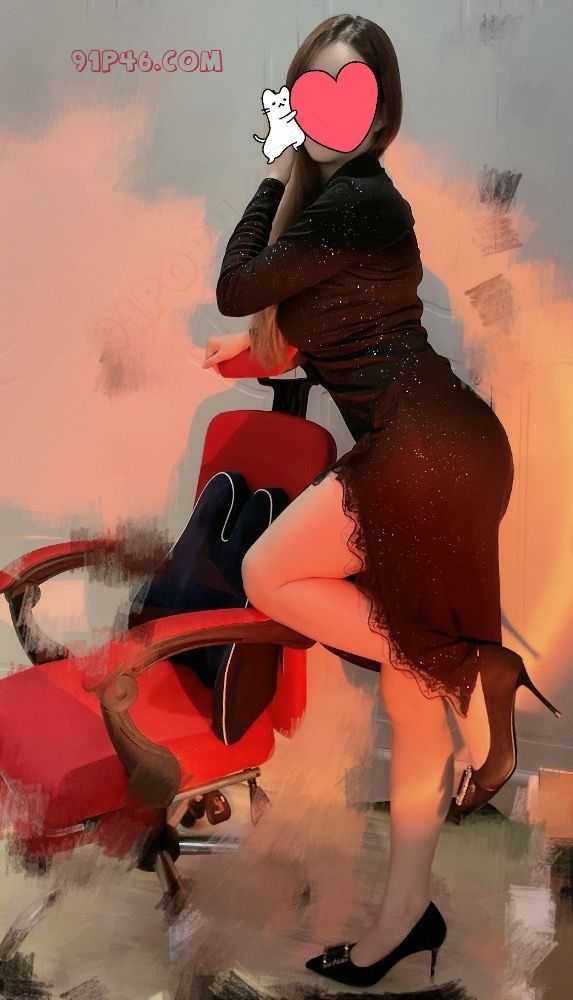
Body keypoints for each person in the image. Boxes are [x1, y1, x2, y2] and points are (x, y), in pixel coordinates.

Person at [204, 13, 561, 989]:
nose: (328, 112)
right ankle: (403, 919)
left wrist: (271, 168)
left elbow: (236, 284)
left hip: (425, 451)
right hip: (448, 452)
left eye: (350, 93)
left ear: (378, 115)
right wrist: (246, 356)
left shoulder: (358, 197)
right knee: (410, 709)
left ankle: (471, 669)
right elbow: (340, 326)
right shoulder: (341, 215)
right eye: (311, 90)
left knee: (269, 571)